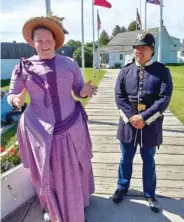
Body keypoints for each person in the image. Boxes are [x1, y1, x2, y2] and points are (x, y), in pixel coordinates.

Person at [7, 14, 97, 222]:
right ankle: (53, 208)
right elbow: (11, 93)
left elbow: (77, 90)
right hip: (39, 131)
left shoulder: (69, 63)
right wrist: (15, 100)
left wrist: (84, 91)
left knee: (74, 168)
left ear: (56, 42)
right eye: (39, 40)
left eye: (49, 40)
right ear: (32, 42)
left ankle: (77, 205)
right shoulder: (22, 68)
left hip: (70, 127)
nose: (44, 44)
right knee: (48, 172)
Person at [113, 32, 173, 212]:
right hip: (128, 124)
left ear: (152, 50)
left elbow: (164, 99)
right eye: (137, 47)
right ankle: (122, 187)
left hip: (150, 125)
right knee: (125, 159)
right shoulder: (125, 71)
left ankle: (150, 194)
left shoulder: (162, 72)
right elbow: (119, 96)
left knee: (149, 160)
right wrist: (133, 117)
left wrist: (144, 118)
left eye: (144, 47)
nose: (139, 51)